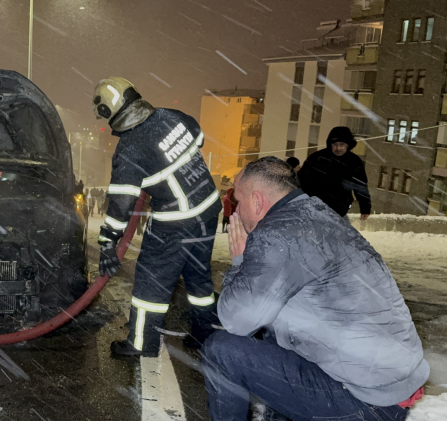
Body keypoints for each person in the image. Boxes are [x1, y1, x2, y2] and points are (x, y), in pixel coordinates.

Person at [202, 156, 428, 421]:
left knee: (222, 351)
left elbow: (236, 321)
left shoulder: (277, 233)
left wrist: (239, 261)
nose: (236, 212)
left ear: (257, 201)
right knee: (274, 328)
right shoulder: (320, 214)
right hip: (391, 386)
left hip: (364, 400)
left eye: (239, 201)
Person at [93, 76, 221, 357]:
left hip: (176, 222)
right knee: (199, 278)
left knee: (152, 280)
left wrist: (108, 241)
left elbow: (122, 202)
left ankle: (142, 343)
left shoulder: (131, 147)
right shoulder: (170, 115)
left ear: (107, 112)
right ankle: (205, 335)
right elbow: (198, 137)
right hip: (209, 209)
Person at [299, 126, 371, 220]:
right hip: (314, 210)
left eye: (342, 144)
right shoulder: (317, 159)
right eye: (335, 144)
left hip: (340, 210)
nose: (338, 148)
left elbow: (360, 186)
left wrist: (365, 208)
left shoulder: (354, 161)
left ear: (348, 145)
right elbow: (301, 181)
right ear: (330, 144)